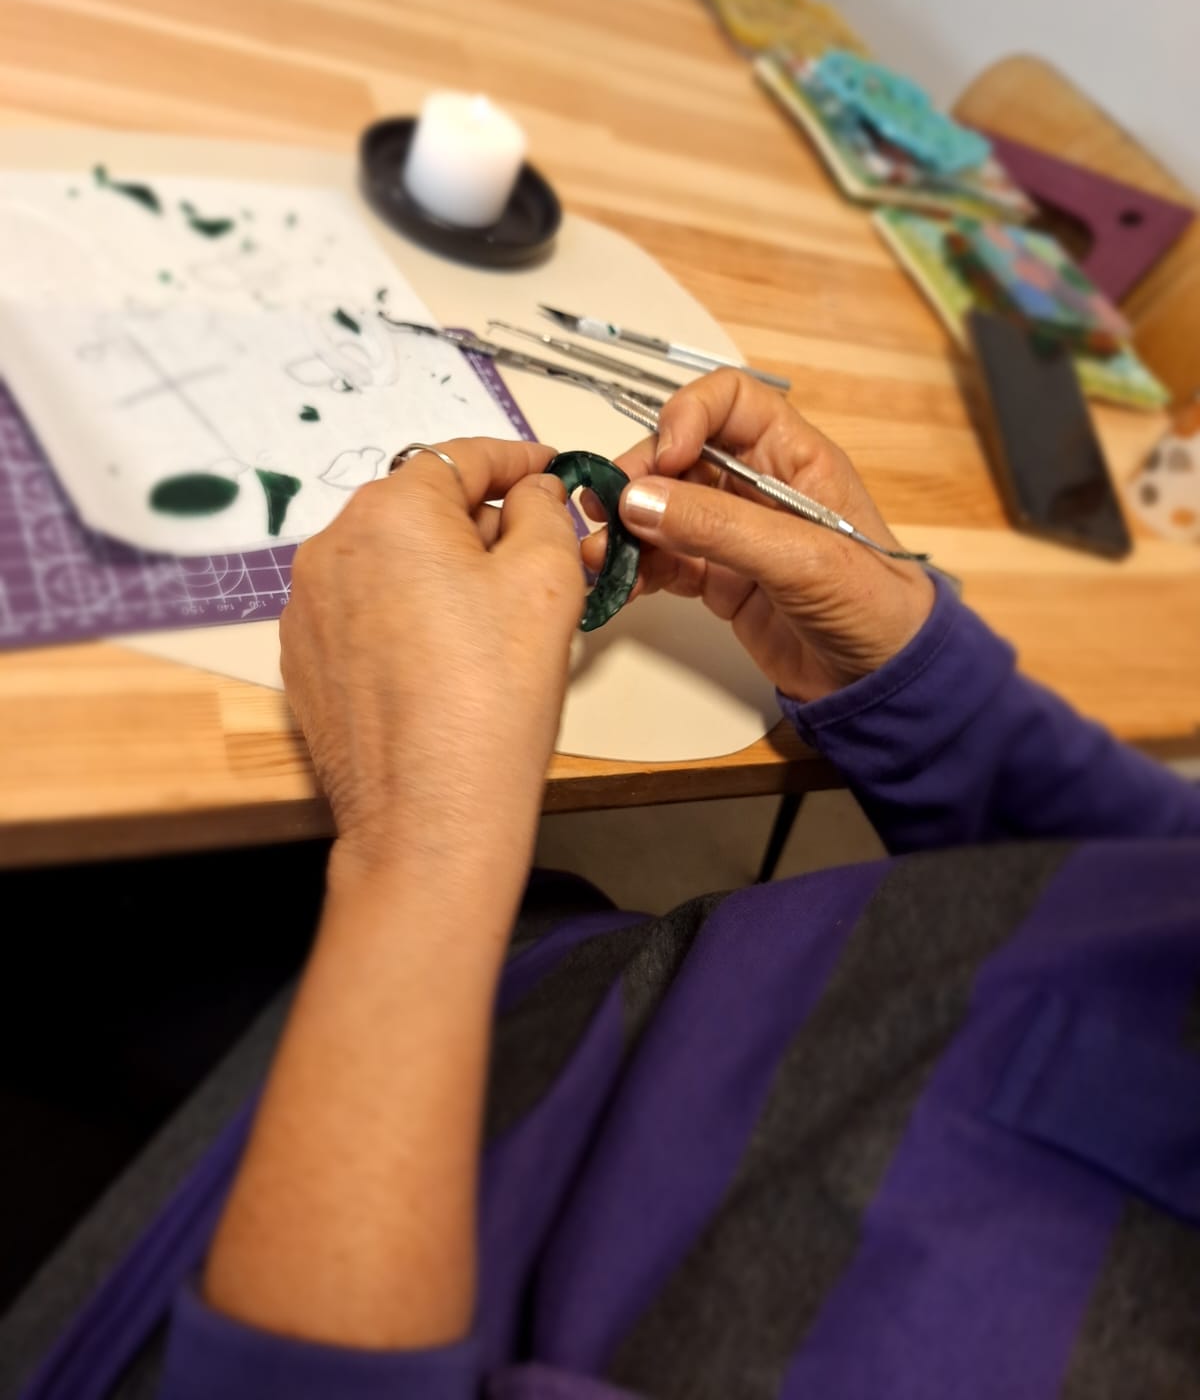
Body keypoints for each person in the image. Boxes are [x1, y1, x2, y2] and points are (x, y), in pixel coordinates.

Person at [10, 371, 1200, 1400]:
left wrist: (424, 847)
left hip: (211, 1242)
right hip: (552, 992)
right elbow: (1150, 902)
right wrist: (926, 688)